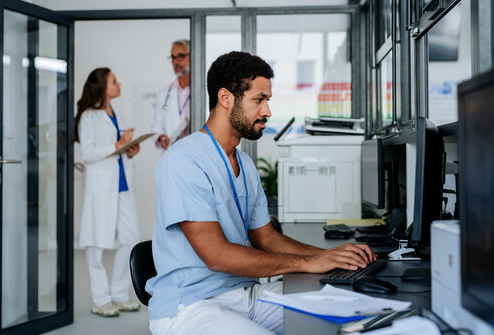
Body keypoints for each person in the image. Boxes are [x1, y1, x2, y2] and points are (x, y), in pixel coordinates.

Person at [146, 52, 376, 334]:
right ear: (226, 98)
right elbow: (217, 256)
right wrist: (308, 262)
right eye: (259, 99)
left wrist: (330, 256)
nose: (267, 111)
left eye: (268, 101)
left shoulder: (244, 164)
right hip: (191, 305)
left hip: (244, 293)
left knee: (346, 309)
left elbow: (266, 238)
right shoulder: (184, 160)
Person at [75, 67, 142, 317]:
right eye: (115, 81)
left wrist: (130, 149)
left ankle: (119, 294)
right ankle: (101, 299)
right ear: (103, 87)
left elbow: (120, 149)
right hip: (100, 189)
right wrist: (118, 144)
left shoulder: (118, 113)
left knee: (131, 239)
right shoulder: (88, 117)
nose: (119, 84)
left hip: (122, 187)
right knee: (95, 244)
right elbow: (89, 154)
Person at [151, 39, 191, 150]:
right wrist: (160, 137)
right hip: (173, 152)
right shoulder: (164, 94)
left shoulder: (202, 92)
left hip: (196, 152)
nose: (175, 62)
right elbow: (156, 128)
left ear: (193, 56)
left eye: (180, 56)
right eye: (173, 58)